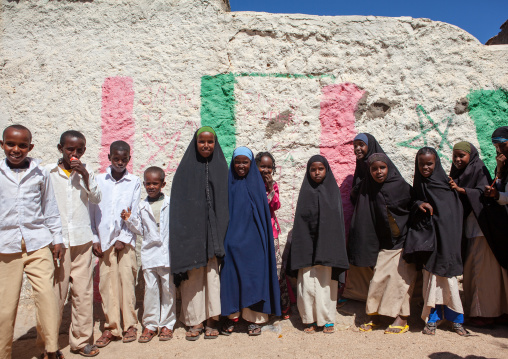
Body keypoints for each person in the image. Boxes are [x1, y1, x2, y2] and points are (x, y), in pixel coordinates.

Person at [0, 125, 63, 359]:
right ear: (2, 144)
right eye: (10, 144)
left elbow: (50, 207)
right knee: (5, 308)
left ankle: (50, 348)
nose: (16, 150)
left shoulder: (40, 173)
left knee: (47, 297)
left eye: (22, 145)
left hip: (37, 243)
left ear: (30, 147)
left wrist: (57, 238)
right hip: (6, 247)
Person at [44, 130, 101, 357]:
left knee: (83, 293)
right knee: (55, 295)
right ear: (61, 149)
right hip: (57, 243)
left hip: (81, 241)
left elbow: (96, 198)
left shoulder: (87, 173)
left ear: (84, 151)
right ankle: (49, 344)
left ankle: (81, 341)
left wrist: (85, 175)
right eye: (69, 149)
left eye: (79, 150)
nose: (74, 154)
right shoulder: (48, 173)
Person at [169, 126, 229, 341]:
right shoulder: (185, 169)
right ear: (195, 143)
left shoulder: (222, 167)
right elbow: (177, 206)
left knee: (212, 276)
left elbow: (226, 203)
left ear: (215, 143)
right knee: (193, 278)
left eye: (210, 141)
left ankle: (213, 319)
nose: (206, 146)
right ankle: (195, 319)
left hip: (214, 234)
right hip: (191, 234)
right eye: (201, 142)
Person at [404, 147, 468, 336]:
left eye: (429, 164)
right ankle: (432, 320)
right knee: (431, 280)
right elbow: (412, 204)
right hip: (430, 243)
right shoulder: (420, 185)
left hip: (448, 242)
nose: (425, 168)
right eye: (421, 164)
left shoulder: (445, 185)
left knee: (449, 281)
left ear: (436, 163)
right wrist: (419, 204)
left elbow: (454, 213)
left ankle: (456, 320)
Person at [220, 147, 281, 336]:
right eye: (237, 162)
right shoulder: (228, 183)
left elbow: (266, 213)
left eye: (244, 162)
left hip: (255, 241)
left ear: (250, 164)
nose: (240, 166)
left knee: (254, 278)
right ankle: (232, 316)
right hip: (232, 240)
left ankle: (253, 319)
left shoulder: (258, 185)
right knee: (231, 277)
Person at [354, 153, 417, 334]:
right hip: (385, 243)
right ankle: (374, 315)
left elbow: (414, 203)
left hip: (405, 240)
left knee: (401, 281)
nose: (378, 172)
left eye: (382, 168)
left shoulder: (401, 186)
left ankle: (402, 318)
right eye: (374, 169)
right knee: (378, 279)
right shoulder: (368, 189)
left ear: (388, 168)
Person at [288, 155, 349, 334]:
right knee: (306, 284)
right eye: (312, 169)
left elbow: (336, 223)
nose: (316, 173)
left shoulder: (332, 191)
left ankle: (327, 319)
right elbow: (301, 222)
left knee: (325, 284)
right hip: (307, 248)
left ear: (326, 170)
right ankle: (309, 320)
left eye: (320, 169)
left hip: (327, 247)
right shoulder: (305, 191)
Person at [90, 141, 141, 347]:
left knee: (127, 282)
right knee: (107, 285)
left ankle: (130, 325)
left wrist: (124, 238)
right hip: (104, 241)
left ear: (129, 158)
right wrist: (95, 239)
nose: (120, 162)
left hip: (125, 242)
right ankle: (112, 328)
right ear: (109, 157)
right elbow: (92, 211)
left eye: (124, 159)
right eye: (116, 158)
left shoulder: (134, 181)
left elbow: (135, 210)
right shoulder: (99, 180)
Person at [122, 167, 176, 343]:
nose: (151, 186)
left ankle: (167, 324)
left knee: (168, 290)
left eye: (155, 183)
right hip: (150, 254)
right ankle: (151, 324)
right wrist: (129, 220)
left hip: (167, 253)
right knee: (151, 290)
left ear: (163, 184)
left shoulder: (170, 203)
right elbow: (141, 230)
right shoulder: (141, 206)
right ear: (144, 183)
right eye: (148, 183)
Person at [342, 133, 386, 303]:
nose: (357, 149)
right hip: (364, 216)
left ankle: (379, 296)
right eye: (355, 145)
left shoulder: (377, 166)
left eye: (361, 144)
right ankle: (362, 293)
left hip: (378, 218)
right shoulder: (361, 166)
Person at [255, 151, 291, 319]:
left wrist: (270, 188)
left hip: (271, 232)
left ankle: (283, 305)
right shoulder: (252, 184)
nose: (266, 170)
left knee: (277, 270)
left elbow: (275, 204)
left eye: (269, 167)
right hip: (256, 232)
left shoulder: (273, 185)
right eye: (262, 166)